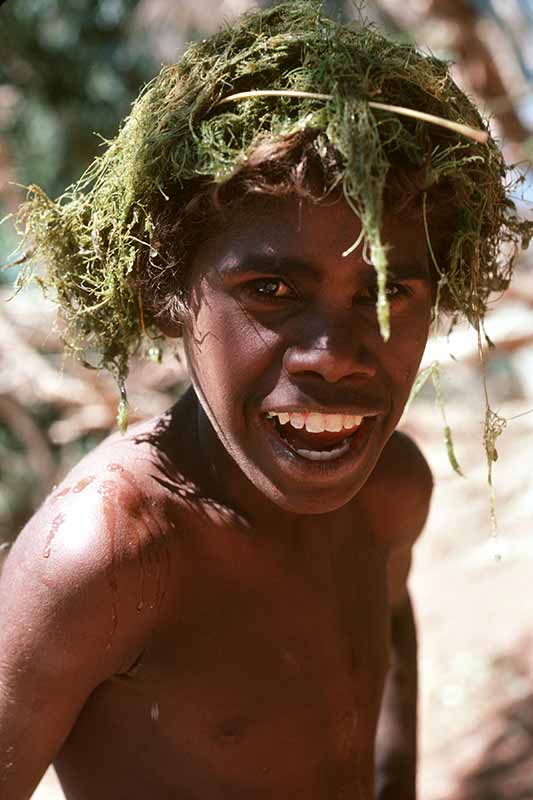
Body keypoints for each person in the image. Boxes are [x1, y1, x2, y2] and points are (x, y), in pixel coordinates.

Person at [0, 3, 530, 799]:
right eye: (271, 290)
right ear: (167, 294)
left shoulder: (391, 489)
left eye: (383, 294)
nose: (334, 357)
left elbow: (387, 631)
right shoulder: (106, 556)